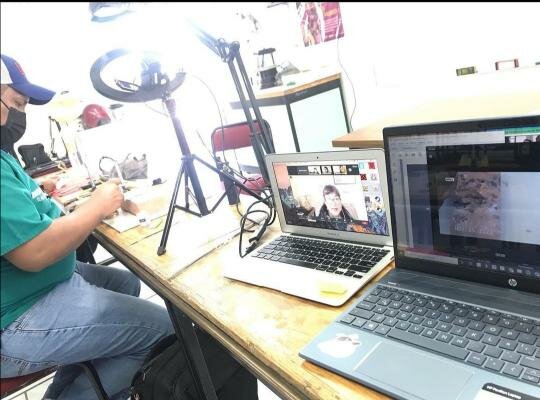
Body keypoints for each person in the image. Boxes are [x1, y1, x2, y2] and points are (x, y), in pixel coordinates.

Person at [0, 54, 257, 400]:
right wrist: (95, 207)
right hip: (16, 319)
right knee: (167, 334)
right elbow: (34, 253)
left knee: (126, 282)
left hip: (34, 288)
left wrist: (54, 200)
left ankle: (74, 382)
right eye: (17, 103)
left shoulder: (4, 156)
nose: (19, 115)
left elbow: (21, 210)